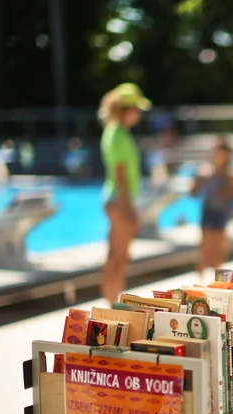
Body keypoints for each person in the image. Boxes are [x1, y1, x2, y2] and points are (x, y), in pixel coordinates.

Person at [98, 82, 151, 305]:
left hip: (115, 199)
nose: (138, 114)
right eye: (136, 109)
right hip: (119, 201)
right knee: (120, 258)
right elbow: (120, 174)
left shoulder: (115, 132)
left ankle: (111, 303)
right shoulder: (118, 135)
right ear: (126, 110)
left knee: (115, 256)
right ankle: (113, 305)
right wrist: (129, 209)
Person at [192, 142, 233, 282]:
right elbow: (193, 193)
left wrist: (231, 186)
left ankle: (217, 281)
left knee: (219, 249)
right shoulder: (205, 172)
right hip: (208, 211)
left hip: (222, 213)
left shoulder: (231, 174)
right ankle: (201, 280)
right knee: (205, 248)